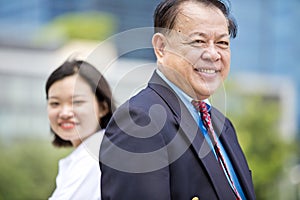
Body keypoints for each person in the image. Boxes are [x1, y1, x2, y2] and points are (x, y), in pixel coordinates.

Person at [100, 0, 256, 199]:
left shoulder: (222, 125)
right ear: (161, 47)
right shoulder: (139, 122)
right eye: (198, 41)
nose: (213, 54)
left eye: (222, 43)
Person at [46, 59, 115, 199]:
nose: (64, 113)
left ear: (103, 107)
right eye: (55, 103)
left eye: (77, 102)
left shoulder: (95, 158)